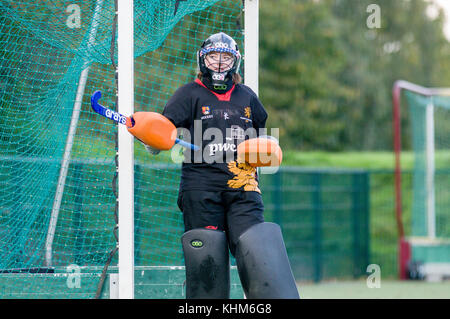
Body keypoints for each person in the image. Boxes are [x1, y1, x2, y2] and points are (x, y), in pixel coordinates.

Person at [158, 32, 299, 299]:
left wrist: (266, 149)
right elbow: (162, 132)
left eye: (226, 57)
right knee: (206, 258)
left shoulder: (248, 97)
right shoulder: (188, 94)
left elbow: (260, 139)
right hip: (201, 190)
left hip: (243, 187)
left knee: (258, 249)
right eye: (213, 57)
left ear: (235, 61)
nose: (220, 64)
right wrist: (151, 140)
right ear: (203, 60)